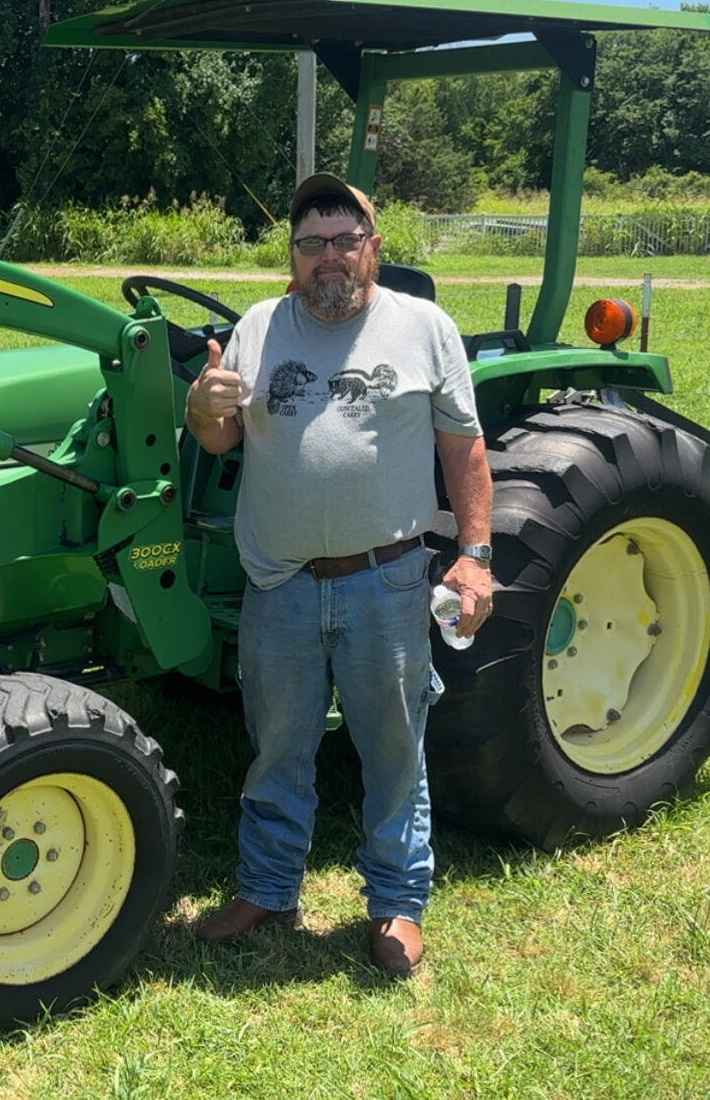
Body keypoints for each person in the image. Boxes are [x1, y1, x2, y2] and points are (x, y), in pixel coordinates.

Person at [185, 173, 494, 979]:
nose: (329, 257)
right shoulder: (257, 327)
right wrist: (202, 407)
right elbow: (219, 441)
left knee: (393, 751)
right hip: (280, 583)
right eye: (311, 243)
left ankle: (397, 904)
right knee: (275, 749)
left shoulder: (423, 328)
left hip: (385, 582)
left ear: (373, 248)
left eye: (344, 240)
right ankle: (267, 890)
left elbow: (463, 449)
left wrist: (475, 553)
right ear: (291, 256)